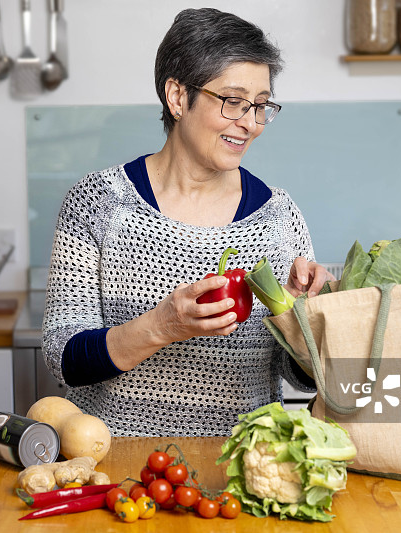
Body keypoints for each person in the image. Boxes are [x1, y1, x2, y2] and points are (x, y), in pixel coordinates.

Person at [42, 8, 332, 437]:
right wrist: (160, 327)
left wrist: (303, 320)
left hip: (242, 465)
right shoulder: (98, 203)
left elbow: (302, 378)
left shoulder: (278, 218)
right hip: (117, 463)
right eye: (233, 102)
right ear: (177, 97)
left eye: (261, 106)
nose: (250, 124)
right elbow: (62, 358)